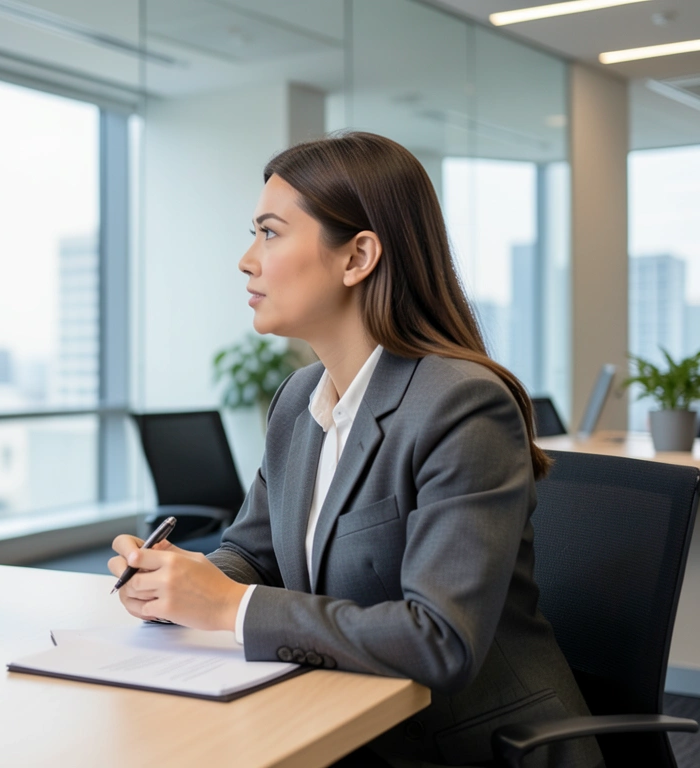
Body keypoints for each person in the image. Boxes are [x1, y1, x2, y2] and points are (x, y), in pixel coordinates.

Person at [109, 132, 601, 767]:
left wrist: (229, 607)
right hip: (336, 719)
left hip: (468, 748)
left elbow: (441, 640)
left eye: (269, 233)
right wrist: (178, 582)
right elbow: (251, 553)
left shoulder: (462, 405)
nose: (246, 260)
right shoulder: (297, 400)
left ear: (357, 256)